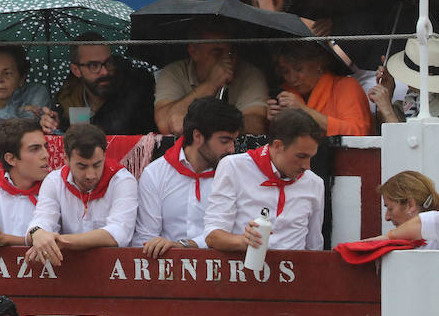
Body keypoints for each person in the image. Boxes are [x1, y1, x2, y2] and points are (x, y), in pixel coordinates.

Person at [203, 108, 325, 253]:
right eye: (301, 156)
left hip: (296, 272)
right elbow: (212, 235)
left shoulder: (314, 183)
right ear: (278, 145)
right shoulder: (234, 167)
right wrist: (242, 241)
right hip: (243, 271)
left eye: (311, 157)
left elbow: (314, 247)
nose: (307, 166)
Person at [133, 97, 243, 256]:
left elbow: (233, 231)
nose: (232, 149)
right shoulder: (155, 173)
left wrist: (185, 245)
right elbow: (145, 237)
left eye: (234, 141)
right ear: (198, 136)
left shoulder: (235, 174)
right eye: (224, 141)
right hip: (166, 269)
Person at [25, 123, 139, 265]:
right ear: (66, 159)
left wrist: (60, 242)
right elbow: (43, 220)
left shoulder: (123, 181)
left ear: (104, 155)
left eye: (97, 164)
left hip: (114, 269)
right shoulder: (54, 180)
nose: (90, 175)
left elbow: (119, 234)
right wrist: (38, 234)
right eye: (82, 166)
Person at [154, 21, 269, 137]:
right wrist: (211, 84)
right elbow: (165, 123)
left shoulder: (250, 74)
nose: (227, 60)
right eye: (217, 53)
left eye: (231, 53)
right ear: (194, 52)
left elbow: (256, 126)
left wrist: (200, 124)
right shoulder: (174, 72)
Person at [0, 118, 50, 247]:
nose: (46, 155)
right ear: (11, 159)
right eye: (35, 149)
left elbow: (55, 238)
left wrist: (5, 239)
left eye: (45, 147)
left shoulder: (55, 187)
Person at [56, 35, 156, 134]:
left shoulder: (135, 87)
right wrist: (52, 122)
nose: (105, 72)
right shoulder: (67, 99)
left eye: (108, 62)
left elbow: (117, 126)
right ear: (76, 70)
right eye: (94, 65)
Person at [270, 41, 371, 137]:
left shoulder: (345, 86)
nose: (292, 78)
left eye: (298, 69)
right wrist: (271, 123)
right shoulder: (282, 94)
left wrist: (304, 111)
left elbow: (358, 131)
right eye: (285, 72)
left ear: (319, 63)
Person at [370, 170, 439, 248]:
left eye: (390, 208)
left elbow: (434, 220)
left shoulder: (438, 225)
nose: (387, 217)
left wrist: (386, 238)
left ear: (411, 205)